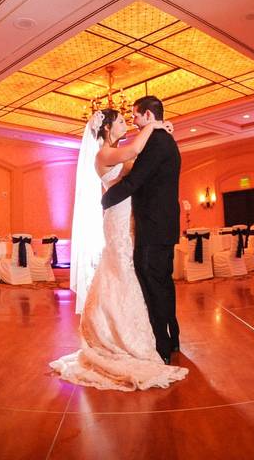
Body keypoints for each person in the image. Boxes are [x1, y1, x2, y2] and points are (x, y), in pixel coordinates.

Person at [50, 107, 188, 391]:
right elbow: (136, 150)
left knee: (132, 271)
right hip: (117, 217)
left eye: (132, 118)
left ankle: (141, 331)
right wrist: (157, 126)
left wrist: (158, 127)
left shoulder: (118, 150)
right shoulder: (104, 154)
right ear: (107, 129)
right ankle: (118, 334)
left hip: (129, 214)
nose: (129, 123)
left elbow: (136, 164)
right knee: (121, 268)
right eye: (123, 121)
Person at [102, 95, 182, 364]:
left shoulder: (157, 142)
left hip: (154, 227)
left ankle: (162, 346)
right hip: (160, 225)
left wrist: (104, 201)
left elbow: (135, 180)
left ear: (148, 115)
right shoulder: (161, 138)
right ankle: (172, 338)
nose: (133, 121)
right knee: (162, 283)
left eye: (136, 116)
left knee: (153, 284)